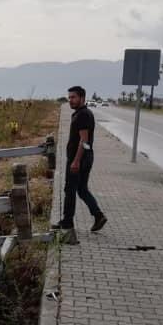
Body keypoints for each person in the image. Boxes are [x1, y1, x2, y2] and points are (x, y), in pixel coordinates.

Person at [56, 86, 108, 232]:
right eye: (69, 97)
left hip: (79, 159)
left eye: (73, 97)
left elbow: (84, 141)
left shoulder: (83, 115)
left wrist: (76, 161)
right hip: (86, 158)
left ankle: (67, 223)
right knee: (82, 189)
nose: (70, 100)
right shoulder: (81, 113)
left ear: (82, 98)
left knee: (70, 190)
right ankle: (98, 216)